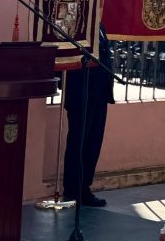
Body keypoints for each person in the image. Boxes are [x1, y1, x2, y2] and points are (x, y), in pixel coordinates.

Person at [63, 24, 114, 207]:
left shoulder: (100, 27)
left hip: (100, 94)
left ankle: (84, 187)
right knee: (79, 142)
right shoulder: (80, 26)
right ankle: (72, 189)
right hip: (81, 93)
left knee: (93, 143)